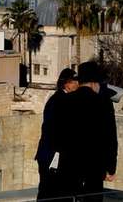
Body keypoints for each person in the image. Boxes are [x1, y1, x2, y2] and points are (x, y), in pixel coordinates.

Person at [59, 61, 118, 201]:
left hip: (69, 163)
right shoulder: (103, 103)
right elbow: (110, 137)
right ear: (93, 83)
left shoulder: (66, 101)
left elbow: (59, 134)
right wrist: (111, 167)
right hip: (95, 166)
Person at [35, 68, 78, 200]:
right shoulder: (60, 100)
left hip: (52, 155)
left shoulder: (60, 99)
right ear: (67, 83)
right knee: (50, 191)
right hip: (52, 156)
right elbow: (54, 130)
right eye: (74, 81)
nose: (77, 84)